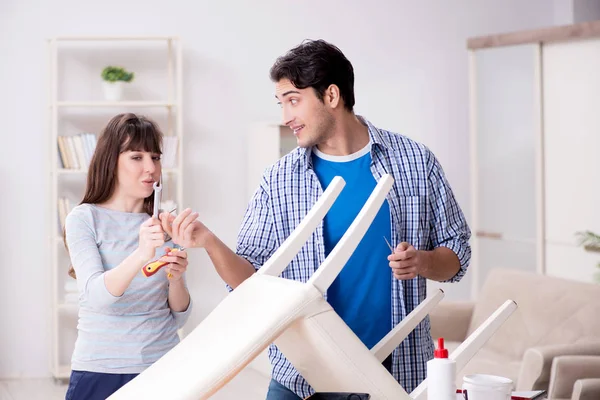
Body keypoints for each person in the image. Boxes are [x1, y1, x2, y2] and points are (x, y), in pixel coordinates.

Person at [161, 39, 471, 399]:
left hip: (392, 374)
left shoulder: (415, 163)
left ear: (332, 96)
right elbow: (251, 284)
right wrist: (208, 241)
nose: (285, 117)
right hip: (301, 377)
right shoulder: (279, 179)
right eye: (281, 104)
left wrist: (424, 261)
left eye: (293, 100)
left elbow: (457, 254)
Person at [63, 113, 193, 400]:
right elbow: (98, 296)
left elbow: (179, 316)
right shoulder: (83, 219)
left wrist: (176, 279)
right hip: (100, 368)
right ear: (111, 161)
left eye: (156, 157)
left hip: (163, 365)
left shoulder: (164, 223)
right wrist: (140, 254)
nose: (151, 168)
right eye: (137, 157)